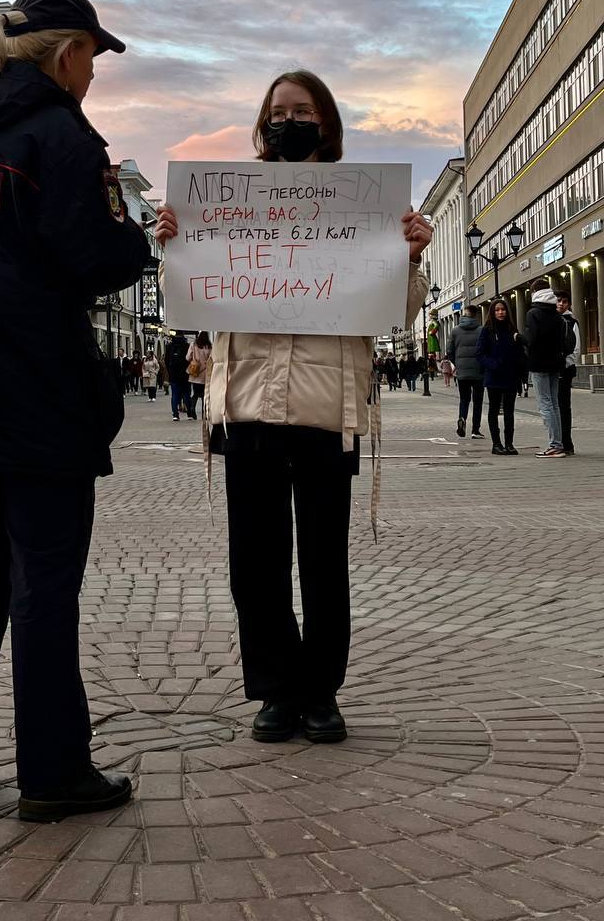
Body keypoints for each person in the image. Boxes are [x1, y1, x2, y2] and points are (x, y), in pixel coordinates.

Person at [0, 0, 149, 820]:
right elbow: (95, 260)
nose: (95, 77)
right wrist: (140, 238)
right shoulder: (61, 134)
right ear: (66, 52)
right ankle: (53, 771)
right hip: (37, 389)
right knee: (43, 581)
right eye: (94, 58)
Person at [155, 68, 430, 746]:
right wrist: (172, 246)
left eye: (302, 110)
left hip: (325, 408)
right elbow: (185, 300)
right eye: (277, 111)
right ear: (262, 122)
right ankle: (275, 690)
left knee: (323, 561)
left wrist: (412, 259)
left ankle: (321, 691)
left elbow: (395, 310)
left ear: (325, 122)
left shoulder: (362, 206)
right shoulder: (228, 204)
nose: (288, 121)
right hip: (246, 403)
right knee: (255, 561)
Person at [524, 281, 572, 457]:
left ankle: (555, 445)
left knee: (545, 404)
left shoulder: (533, 313)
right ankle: (559, 444)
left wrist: (520, 339)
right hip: (556, 364)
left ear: (535, 293)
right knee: (554, 405)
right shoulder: (557, 315)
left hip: (538, 364)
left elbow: (532, 339)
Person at [475, 299, 525, 455]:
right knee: (494, 409)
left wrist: (522, 375)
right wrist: (493, 364)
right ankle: (496, 444)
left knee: (509, 411)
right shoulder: (487, 330)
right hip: (494, 376)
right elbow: (480, 354)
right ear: (492, 312)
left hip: (511, 375)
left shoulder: (512, 329)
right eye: (497, 310)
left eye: (502, 309)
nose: (500, 312)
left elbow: (520, 354)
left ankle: (509, 443)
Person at [448, 306, 484, 438]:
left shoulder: (455, 331)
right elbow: (485, 350)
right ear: (475, 315)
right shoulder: (481, 330)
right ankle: (475, 430)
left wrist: (457, 364)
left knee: (464, 399)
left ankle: (462, 418)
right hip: (478, 371)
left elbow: (449, 351)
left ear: (464, 314)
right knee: (478, 401)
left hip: (462, 372)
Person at [555, 289, 580, 456]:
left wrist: (563, 364)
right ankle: (556, 441)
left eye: (564, 301)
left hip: (565, 370)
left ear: (569, 304)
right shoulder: (550, 320)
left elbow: (576, 349)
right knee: (552, 407)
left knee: (564, 406)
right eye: (558, 301)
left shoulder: (572, 322)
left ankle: (567, 442)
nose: (561, 304)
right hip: (551, 370)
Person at [165, 333, 191, 420]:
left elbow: (166, 361)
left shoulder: (169, 346)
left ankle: (175, 414)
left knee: (174, 395)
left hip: (173, 375)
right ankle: (189, 414)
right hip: (185, 375)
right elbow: (190, 359)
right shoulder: (187, 346)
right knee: (186, 394)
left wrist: (170, 372)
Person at [186, 331, 212, 418]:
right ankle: (204, 413)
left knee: (196, 393)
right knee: (205, 395)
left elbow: (188, 357)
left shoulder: (193, 345)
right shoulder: (209, 346)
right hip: (206, 373)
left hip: (195, 372)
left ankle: (192, 408)